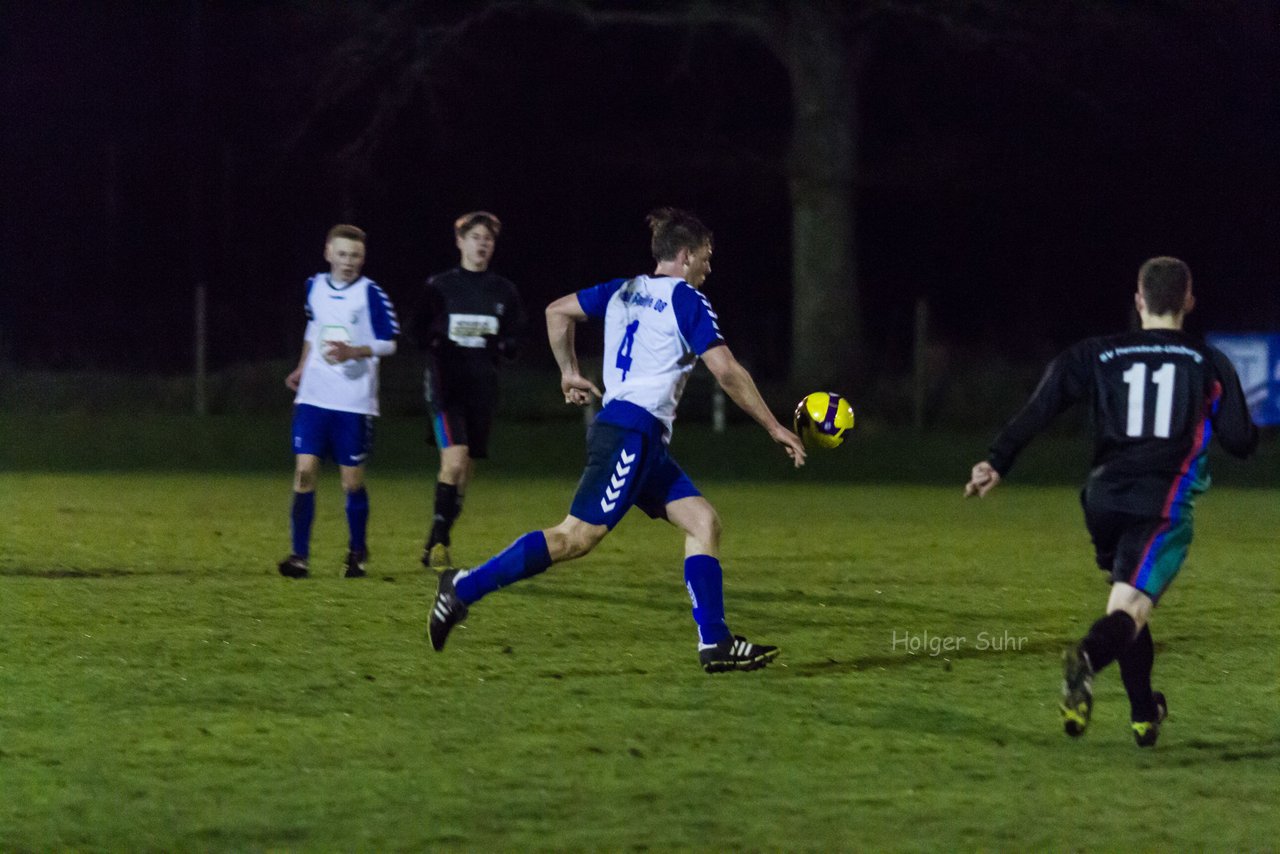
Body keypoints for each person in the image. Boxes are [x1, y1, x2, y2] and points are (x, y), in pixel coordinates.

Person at [428, 207, 807, 672]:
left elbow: (557, 311)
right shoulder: (685, 298)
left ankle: (716, 643)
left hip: (639, 435)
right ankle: (461, 589)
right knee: (575, 537)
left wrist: (569, 372)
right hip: (632, 433)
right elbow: (726, 370)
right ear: (685, 256)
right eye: (706, 258)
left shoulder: (624, 290)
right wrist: (773, 426)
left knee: (703, 522)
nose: (709, 267)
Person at [964, 256, 1257, 746]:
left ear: (1139, 301)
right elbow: (1241, 441)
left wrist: (998, 459)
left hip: (1102, 499)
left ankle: (1145, 714)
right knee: (1131, 608)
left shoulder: (1098, 354)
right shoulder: (1208, 361)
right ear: (1188, 300)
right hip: (1162, 505)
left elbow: (1044, 404)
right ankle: (1085, 660)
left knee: (1125, 604)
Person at [278, 224, 399, 579]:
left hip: (354, 403)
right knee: (304, 474)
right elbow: (313, 329)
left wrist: (354, 351)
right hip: (314, 397)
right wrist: (301, 368)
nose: (348, 262)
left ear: (363, 259)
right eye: (342, 254)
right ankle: (299, 556)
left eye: (356, 256)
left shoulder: (370, 293)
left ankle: (357, 551)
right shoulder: (313, 286)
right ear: (328, 252)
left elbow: (389, 342)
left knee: (351, 482)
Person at [411, 211, 526, 571]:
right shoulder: (439, 286)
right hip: (446, 388)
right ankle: (439, 541)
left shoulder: (504, 291)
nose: (482, 244)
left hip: (482, 389)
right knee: (455, 458)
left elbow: (514, 337)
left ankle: (438, 534)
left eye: (488, 239)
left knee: (465, 470)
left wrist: (504, 346)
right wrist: (435, 340)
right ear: (460, 241)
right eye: (475, 237)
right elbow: (415, 331)